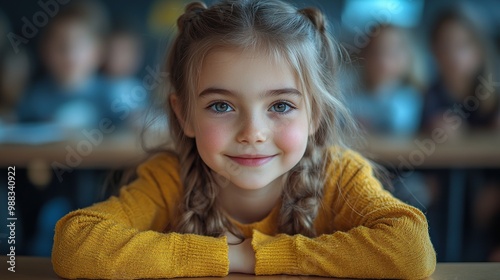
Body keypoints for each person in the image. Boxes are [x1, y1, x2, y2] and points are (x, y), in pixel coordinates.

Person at [52, 1, 436, 278]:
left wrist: (253, 256)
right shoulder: (169, 178)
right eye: (221, 106)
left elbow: (410, 250)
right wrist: (228, 256)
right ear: (184, 113)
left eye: (281, 106)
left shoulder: (340, 175)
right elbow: (76, 246)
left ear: (315, 114)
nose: (253, 132)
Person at [17, 0, 109, 128]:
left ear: (99, 51)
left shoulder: (112, 96)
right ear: (45, 51)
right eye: (61, 46)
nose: (70, 54)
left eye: (79, 44)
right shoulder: (34, 99)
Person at [348, 24, 424, 136]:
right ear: (365, 56)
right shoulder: (351, 95)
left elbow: (399, 125)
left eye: (392, 52)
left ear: (407, 57)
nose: (382, 59)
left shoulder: (412, 97)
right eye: (376, 51)